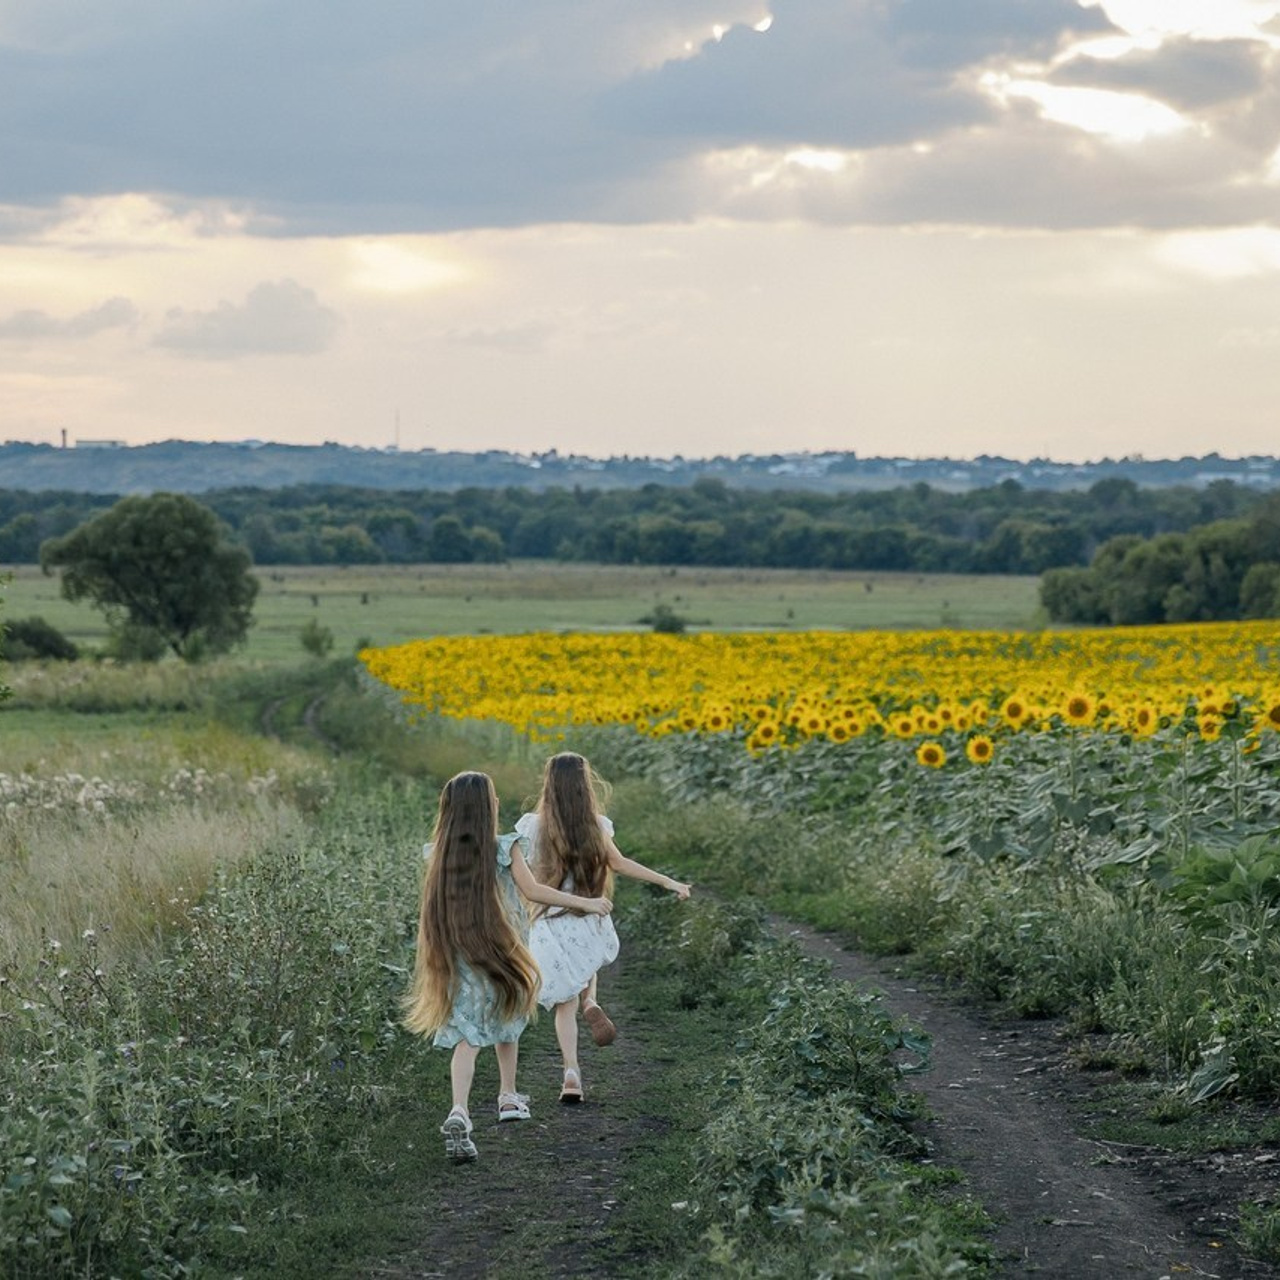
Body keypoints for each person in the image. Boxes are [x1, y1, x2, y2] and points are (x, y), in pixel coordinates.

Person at [402, 770, 612, 1163]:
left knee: (467, 1036)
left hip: (456, 954)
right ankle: (508, 1096)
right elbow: (533, 891)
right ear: (488, 809)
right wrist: (585, 903)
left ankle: (459, 1110)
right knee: (508, 1016)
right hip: (502, 948)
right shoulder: (505, 846)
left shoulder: (439, 852)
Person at [517, 752, 691, 1104]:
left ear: (548, 784)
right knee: (590, 962)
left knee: (563, 1004)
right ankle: (592, 999)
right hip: (589, 915)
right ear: (585, 785)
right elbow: (620, 863)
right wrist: (668, 881)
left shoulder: (532, 827)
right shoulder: (596, 825)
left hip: (550, 920)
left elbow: (522, 877)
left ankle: (571, 1074)